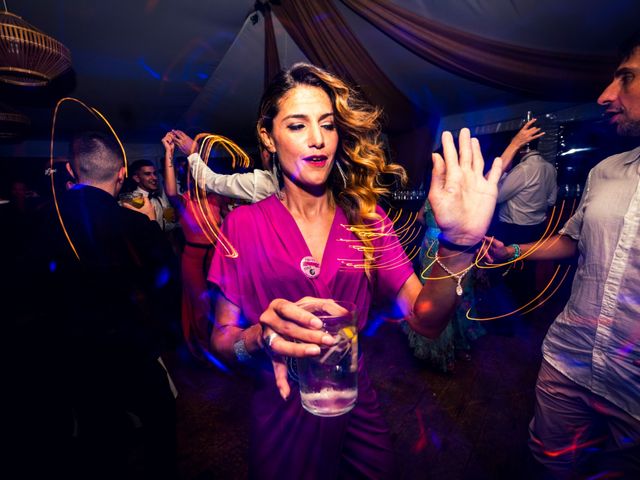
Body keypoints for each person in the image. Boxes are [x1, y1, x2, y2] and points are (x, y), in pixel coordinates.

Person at [207, 62, 502, 479]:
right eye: (297, 125)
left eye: (327, 125)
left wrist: (458, 246)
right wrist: (259, 337)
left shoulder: (369, 220)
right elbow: (222, 339)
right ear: (266, 136)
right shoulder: (241, 225)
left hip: (352, 399)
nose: (318, 140)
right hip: (280, 402)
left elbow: (427, 320)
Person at [486, 33, 640, 478]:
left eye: (626, 78)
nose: (606, 95)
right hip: (569, 357)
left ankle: (504, 328)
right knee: (548, 462)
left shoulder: (530, 167)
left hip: (633, 390)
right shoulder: (602, 171)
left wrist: (509, 231)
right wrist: (515, 250)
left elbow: (496, 197)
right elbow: (573, 235)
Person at [19, 132, 180, 479]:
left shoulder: (36, 219)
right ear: (122, 174)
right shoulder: (136, 224)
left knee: (99, 435)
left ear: (70, 170)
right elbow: (167, 286)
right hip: (131, 349)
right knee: (161, 422)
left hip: (67, 351)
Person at [161, 130, 230, 360]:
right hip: (192, 257)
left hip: (216, 256)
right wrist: (169, 154)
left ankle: (223, 344)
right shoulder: (183, 201)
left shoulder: (216, 197)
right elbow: (170, 191)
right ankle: (204, 350)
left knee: (221, 302)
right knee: (199, 306)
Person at [492, 119, 557, 245]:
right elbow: (551, 200)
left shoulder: (523, 169)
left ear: (522, 147)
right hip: (537, 228)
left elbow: (497, 197)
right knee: (527, 262)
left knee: (508, 262)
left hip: (514, 229)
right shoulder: (550, 167)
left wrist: (505, 172)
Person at [129, 159, 180, 233]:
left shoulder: (160, 200)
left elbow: (168, 225)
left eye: (155, 173)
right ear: (137, 178)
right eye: (147, 174)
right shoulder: (130, 201)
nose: (155, 178)